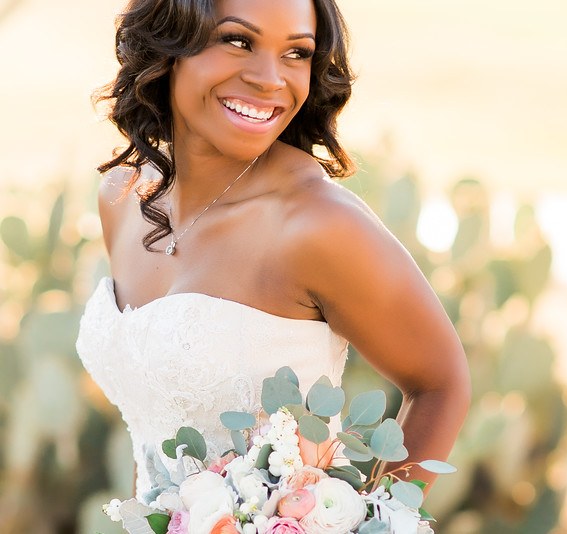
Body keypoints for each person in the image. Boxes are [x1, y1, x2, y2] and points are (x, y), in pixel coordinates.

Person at [75, 0, 470, 501]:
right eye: (238, 40)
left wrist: (372, 519)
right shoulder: (122, 198)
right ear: (166, 41)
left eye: (296, 53)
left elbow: (441, 383)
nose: (269, 78)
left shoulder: (316, 225)